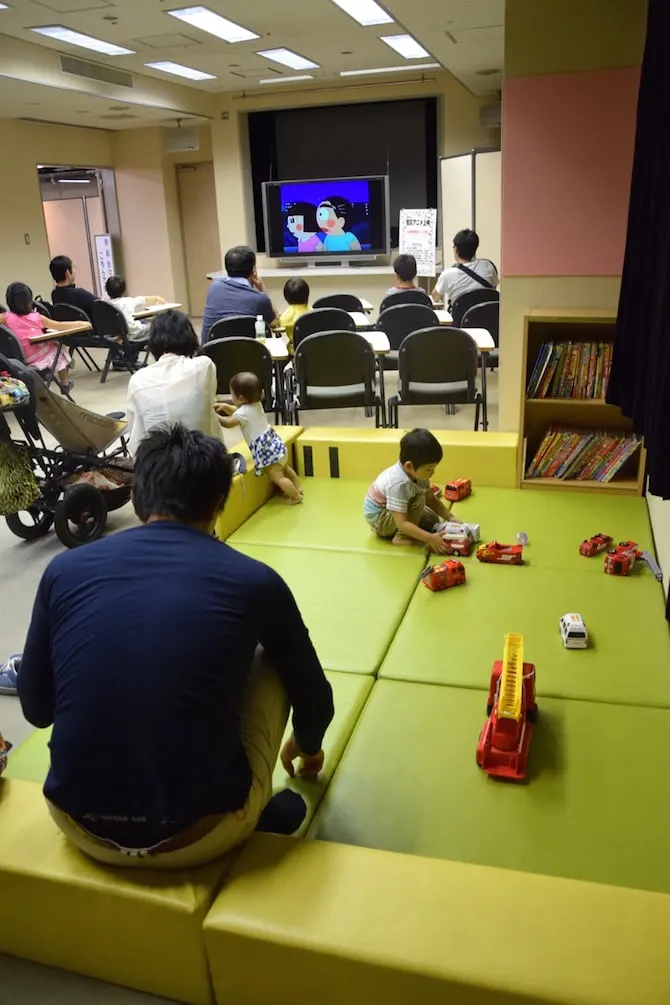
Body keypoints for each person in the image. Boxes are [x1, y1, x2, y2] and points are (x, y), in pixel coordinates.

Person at [18, 423, 333, 869]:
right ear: (219, 503)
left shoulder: (63, 570)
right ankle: (254, 809)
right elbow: (315, 696)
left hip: (77, 825)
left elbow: (37, 709)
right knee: (274, 659)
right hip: (200, 837)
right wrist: (310, 746)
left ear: (137, 498)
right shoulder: (254, 580)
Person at [125, 309, 220, 455]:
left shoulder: (137, 379)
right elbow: (209, 401)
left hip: (159, 470)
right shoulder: (204, 366)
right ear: (189, 337)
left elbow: (135, 440)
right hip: (205, 462)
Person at [364, 428, 460, 552]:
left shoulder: (419, 475)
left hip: (393, 510)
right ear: (409, 466)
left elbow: (431, 499)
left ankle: (411, 530)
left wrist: (451, 518)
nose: (433, 473)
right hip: (380, 519)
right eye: (429, 469)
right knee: (419, 499)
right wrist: (430, 538)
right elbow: (402, 523)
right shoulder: (398, 484)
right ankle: (401, 537)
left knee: (432, 521)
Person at [216, 372, 303, 503]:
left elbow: (229, 423)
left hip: (266, 450)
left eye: (232, 394)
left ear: (240, 398)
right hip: (275, 444)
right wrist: (226, 407)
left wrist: (215, 416)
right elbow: (239, 412)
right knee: (285, 468)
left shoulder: (243, 413)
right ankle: (298, 486)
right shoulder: (256, 405)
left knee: (278, 478)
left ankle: (295, 496)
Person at [1, 282, 83, 395]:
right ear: (29, 302)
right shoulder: (37, 318)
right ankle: (65, 383)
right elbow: (60, 326)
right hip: (37, 360)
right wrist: (83, 324)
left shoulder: (5, 318)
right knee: (58, 348)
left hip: (17, 359)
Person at [202, 246, 276, 342]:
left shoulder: (214, 287)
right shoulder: (260, 299)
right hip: (249, 355)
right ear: (253, 270)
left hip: (212, 354)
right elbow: (276, 323)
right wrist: (262, 288)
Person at [432, 229, 499, 310]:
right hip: (488, 319)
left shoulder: (447, 275)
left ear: (456, 249)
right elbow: (493, 288)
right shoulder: (488, 266)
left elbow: (435, 297)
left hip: (460, 321)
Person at [105, 275, 166, 343]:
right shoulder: (127, 301)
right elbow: (143, 299)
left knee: (142, 322)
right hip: (133, 333)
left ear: (106, 290)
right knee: (158, 326)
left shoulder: (104, 305)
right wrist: (156, 298)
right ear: (124, 289)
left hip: (115, 335)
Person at [49, 255, 96, 322]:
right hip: (88, 330)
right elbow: (102, 305)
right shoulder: (80, 294)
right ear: (68, 273)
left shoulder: (54, 294)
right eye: (73, 268)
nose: (75, 271)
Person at [278, 278, 310, 354]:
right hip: (312, 349)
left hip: (296, 351)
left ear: (286, 298)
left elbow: (280, 322)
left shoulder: (288, 314)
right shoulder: (312, 311)